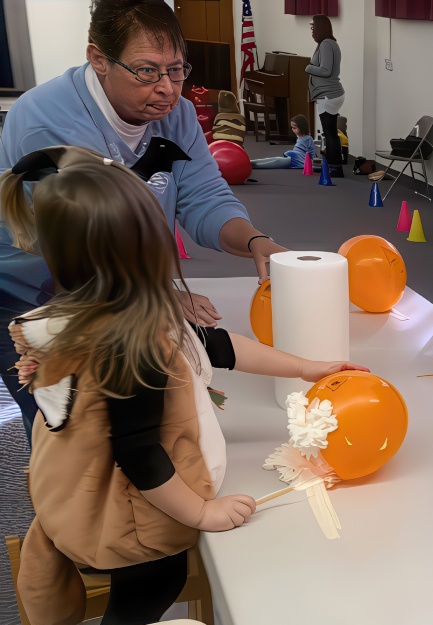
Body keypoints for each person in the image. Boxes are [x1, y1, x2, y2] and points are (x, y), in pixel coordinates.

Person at [1, 145, 368, 625]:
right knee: (160, 576)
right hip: (114, 515)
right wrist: (201, 514)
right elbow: (140, 456)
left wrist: (305, 367)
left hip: (75, 493)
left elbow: (216, 346)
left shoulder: (114, 308)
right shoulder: (126, 346)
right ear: (138, 252)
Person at [0, 0, 287, 440]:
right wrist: (154, 296)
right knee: (64, 429)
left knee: (126, 425)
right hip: (33, 297)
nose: (168, 89)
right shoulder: (46, 118)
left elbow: (203, 196)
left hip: (117, 290)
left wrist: (254, 241)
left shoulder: (178, 116)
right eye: (147, 71)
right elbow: (84, 237)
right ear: (98, 59)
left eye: (177, 69)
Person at [306, 15, 345, 177]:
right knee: (329, 132)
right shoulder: (328, 43)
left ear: (321, 28)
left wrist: (308, 68)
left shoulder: (327, 45)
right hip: (329, 95)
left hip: (328, 95)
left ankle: (334, 167)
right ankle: (331, 164)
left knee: (329, 133)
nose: (312, 32)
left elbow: (326, 71)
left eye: (313, 28)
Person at [250, 115, 316, 170]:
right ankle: (251, 162)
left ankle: (253, 165)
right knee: (276, 159)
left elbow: (311, 152)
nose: (292, 129)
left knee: (277, 161)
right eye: (292, 128)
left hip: (298, 159)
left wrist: (311, 162)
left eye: (294, 128)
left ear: (302, 127)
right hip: (294, 156)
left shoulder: (308, 138)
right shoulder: (299, 137)